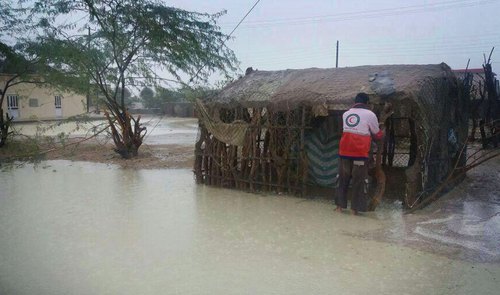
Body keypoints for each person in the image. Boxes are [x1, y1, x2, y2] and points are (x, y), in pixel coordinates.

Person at [335, 92, 384, 215]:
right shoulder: (370, 114)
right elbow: (377, 134)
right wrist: (382, 131)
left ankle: (339, 208)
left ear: (355, 102)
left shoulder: (346, 114)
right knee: (358, 181)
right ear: (367, 103)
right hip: (360, 153)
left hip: (344, 152)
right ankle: (354, 210)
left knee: (342, 179)